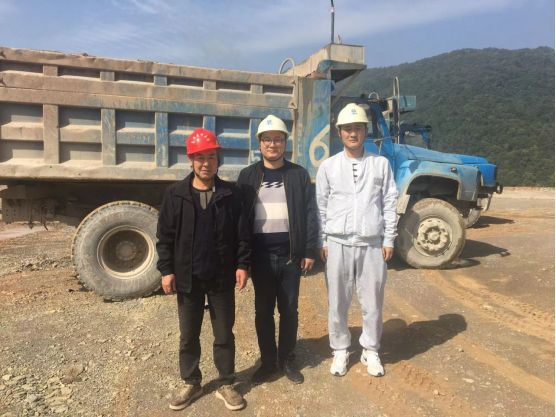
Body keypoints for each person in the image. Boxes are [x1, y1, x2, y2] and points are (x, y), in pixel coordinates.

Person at [156, 128, 250, 411]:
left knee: (224, 334)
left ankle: (226, 382)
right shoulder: (175, 195)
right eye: (200, 158)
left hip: (221, 277)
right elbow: (165, 237)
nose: (206, 163)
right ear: (191, 160)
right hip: (188, 278)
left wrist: (243, 264)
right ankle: (191, 382)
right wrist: (166, 270)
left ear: (218, 159)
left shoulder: (231, 194)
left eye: (211, 157)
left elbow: (242, 234)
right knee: (188, 335)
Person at [316, 103, 398, 377]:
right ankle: (340, 349)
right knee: (338, 300)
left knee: (372, 301)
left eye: (358, 128)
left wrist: (389, 239)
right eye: (348, 129)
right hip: (337, 242)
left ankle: (370, 349)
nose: (353, 133)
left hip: (371, 243)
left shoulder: (380, 164)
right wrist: (323, 240)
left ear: (366, 131)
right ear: (340, 132)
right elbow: (321, 206)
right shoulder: (328, 167)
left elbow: (389, 202)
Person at [236, 115, 318, 385]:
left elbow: (309, 214)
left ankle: (287, 360)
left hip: (289, 256)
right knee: (263, 312)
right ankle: (268, 362)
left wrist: (309, 250)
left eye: (278, 139)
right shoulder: (248, 176)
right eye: (267, 139)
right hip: (260, 257)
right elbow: (240, 220)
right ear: (259, 143)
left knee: (289, 310)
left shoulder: (298, 174)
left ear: (285, 143)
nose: (273, 144)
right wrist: (243, 260)